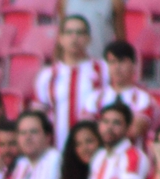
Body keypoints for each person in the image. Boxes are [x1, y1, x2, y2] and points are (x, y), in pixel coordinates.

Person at [35, 16, 108, 152]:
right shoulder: (47, 75)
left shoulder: (103, 70)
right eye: (69, 33)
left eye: (80, 33)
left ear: (88, 39)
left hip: (95, 150)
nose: (74, 38)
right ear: (60, 39)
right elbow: (39, 115)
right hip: (58, 149)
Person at [93, 40, 153, 143]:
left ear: (134, 65)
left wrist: (105, 131)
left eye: (121, 61)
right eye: (112, 62)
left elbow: (135, 130)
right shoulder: (95, 97)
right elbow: (87, 130)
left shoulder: (143, 98)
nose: (117, 67)